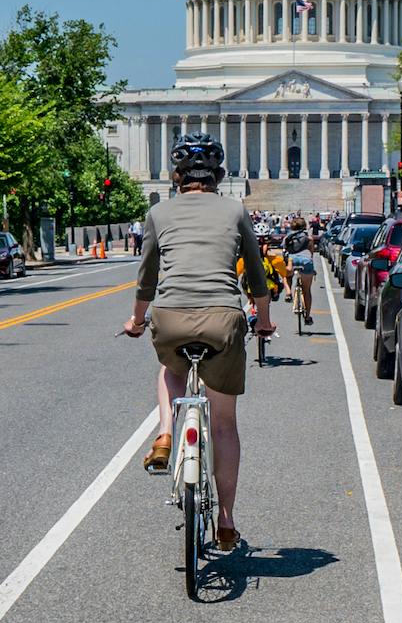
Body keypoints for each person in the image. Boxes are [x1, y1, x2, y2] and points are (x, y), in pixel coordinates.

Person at [123, 133, 272, 550]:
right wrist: (264, 319)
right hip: (223, 318)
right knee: (223, 424)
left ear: (177, 176)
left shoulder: (160, 212)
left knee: (170, 369)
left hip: (170, 317)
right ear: (219, 175)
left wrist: (137, 320)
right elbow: (257, 274)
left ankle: (166, 432)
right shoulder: (235, 209)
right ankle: (226, 521)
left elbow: (146, 278)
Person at [282, 220, 316, 325]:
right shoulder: (309, 238)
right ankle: (307, 316)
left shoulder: (287, 237)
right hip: (306, 261)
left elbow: (284, 251)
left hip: (292, 260)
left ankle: (288, 292)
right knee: (307, 291)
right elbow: (311, 253)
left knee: (286, 276)